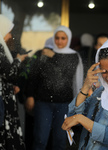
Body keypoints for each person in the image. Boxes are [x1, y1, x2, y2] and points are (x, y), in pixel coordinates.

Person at [25, 25, 84, 150]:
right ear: (53, 38)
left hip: (64, 104)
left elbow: (68, 73)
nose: (60, 41)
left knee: (60, 140)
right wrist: (30, 95)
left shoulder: (73, 55)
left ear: (68, 39)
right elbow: (34, 75)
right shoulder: (45, 53)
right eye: (57, 38)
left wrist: (54, 56)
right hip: (43, 103)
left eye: (63, 38)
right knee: (40, 139)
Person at [0, 14, 27, 149]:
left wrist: (11, 85)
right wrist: (18, 60)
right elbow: (8, 73)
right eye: (8, 31)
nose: (10, 36)